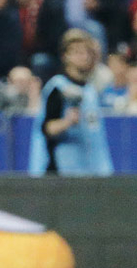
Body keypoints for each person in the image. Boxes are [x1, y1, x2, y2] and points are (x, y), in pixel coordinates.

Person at [29, 28, 114, 175]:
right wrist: (67, 122)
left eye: (86, 52)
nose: (83, 57)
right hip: (63, 171)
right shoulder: (58, 88)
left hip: (90, 171)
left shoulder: (90, 90)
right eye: (77, 52)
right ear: (65, 56)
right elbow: (47, 128)